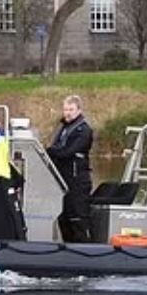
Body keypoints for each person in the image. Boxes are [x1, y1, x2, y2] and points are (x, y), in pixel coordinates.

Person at [47, 95, 94, 243]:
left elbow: (68, 151)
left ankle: (84, 247)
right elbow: (57, 148)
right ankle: (67, 246)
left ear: (79, 110)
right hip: (63, 179)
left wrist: (50, 151)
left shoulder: (84, 130)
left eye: (71, 110)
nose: (67, 113)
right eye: (65, 109)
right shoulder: (63, 128)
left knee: (77, 216)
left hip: (77, 179)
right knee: (63, 216)